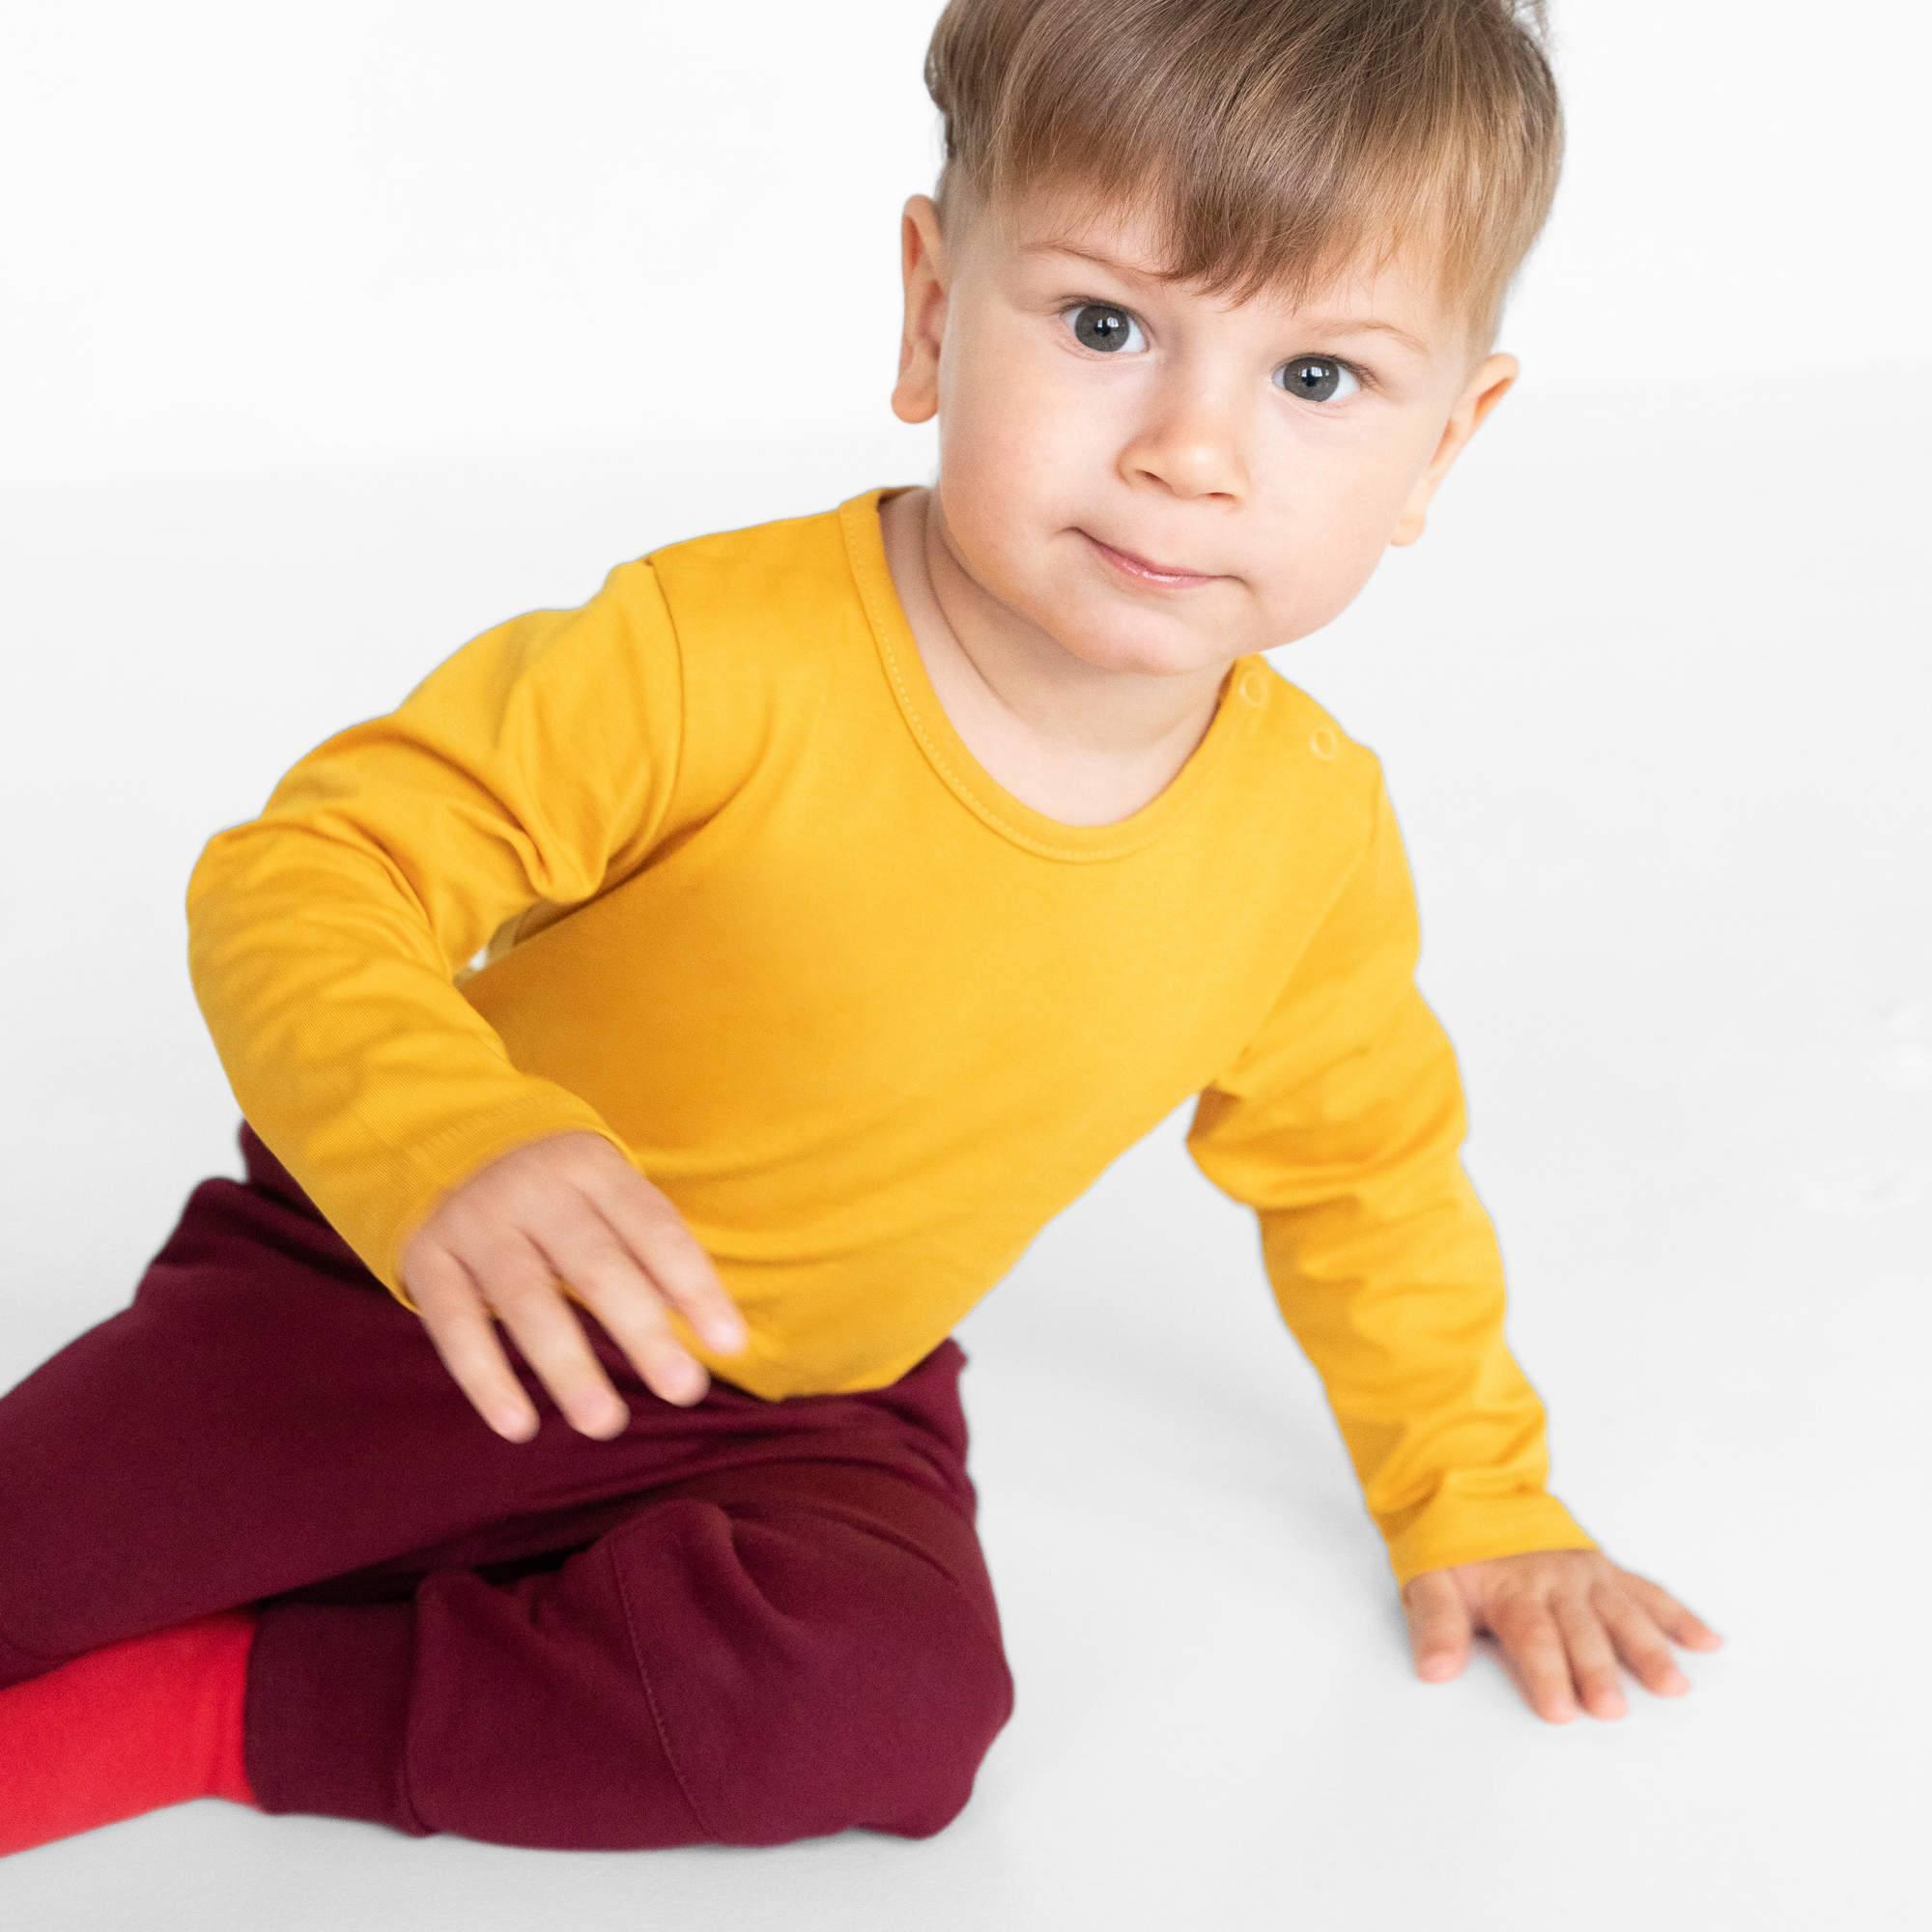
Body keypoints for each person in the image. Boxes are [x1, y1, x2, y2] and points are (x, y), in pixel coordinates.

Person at [0, 0, 1722, 1861]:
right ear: (929, 309)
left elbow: (1366, 1175)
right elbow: (313, 870)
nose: (1190, 453)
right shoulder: (710, 656)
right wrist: (443, 1147)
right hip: (410, 1283)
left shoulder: (1307, 835)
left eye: (1317, 381)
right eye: (1104, 326)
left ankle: (225, 1707)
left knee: (885, 1712)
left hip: (807, 1394)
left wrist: (1477, 1499)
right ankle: (363, 1560)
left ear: (1446, 444)